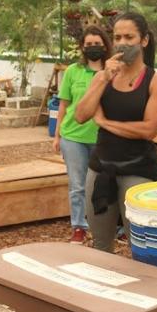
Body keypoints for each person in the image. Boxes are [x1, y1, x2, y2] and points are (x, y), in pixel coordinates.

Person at [75, 12, 157, 254]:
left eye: (130, 37)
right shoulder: (102, 77)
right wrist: (102, 79)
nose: (123, 43)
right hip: (102, 168)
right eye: (117, 37)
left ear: (144, 40)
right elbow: (81, 115)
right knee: (100, 246)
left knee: (141, 246)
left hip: (138, 168)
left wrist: (105, 123)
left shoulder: (156, 82)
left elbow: (149, 130)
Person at [52, 25, 110, 245]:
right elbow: (64, 105)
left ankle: (107, 225)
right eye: (89, 45)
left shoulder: (112, 71)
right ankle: (79, 226)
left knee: (102, 183)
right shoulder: (73, 72)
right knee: (77, 184)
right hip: (73, 137)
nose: (93, 48)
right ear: (82, 48)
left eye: (97, 44)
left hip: (102, 137)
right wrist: (57, 136)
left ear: (105, 45)